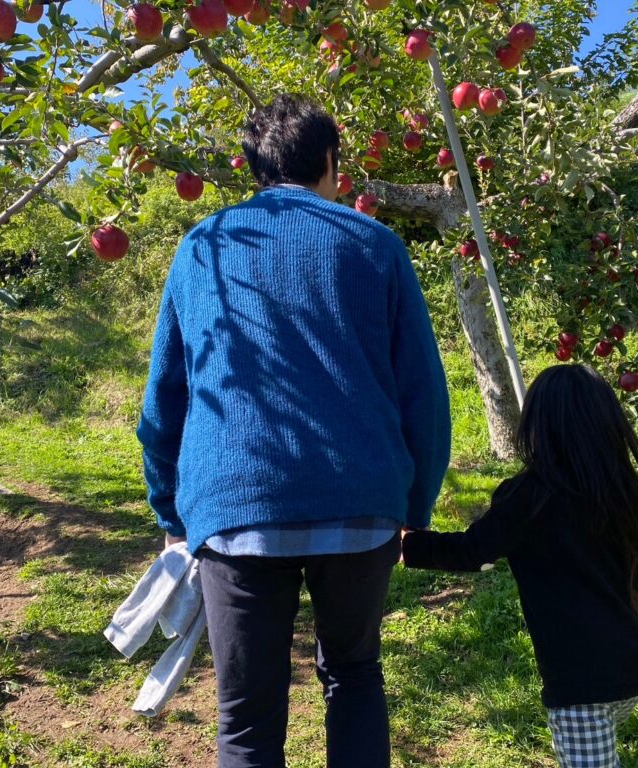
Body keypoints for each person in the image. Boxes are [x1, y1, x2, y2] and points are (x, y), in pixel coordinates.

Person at [136, 94, 451, 768]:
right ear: (330, 161)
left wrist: (170, 510)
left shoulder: (204, 249)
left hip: (235, 507)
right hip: (361, 504)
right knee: (355, 676)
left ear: (254, 167)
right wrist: (414, 507)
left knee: (246, 717)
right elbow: (424, 394)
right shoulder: (375, 245)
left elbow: (167, 395)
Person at [402, 364, 638, 768]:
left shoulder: (529, 497)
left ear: (539, 425)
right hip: (633, 661)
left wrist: (409, 545)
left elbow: (473, 550)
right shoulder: (621, 487)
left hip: (580, 681)